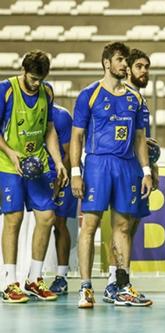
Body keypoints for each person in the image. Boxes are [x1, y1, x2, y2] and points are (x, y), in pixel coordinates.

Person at [70, 42, 153, 308]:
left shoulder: (135, 98)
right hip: (97, 164)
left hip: (127, 166)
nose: (124, 65)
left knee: (123, 227)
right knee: (90, 225)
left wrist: (146, 171)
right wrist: (75, 172)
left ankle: (121, 285)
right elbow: (77, 137)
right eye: (120, 60)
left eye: (125, 61)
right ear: (107, 63)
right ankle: (85, 288)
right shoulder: (89, 95)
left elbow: (140, 138)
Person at [0, 50, 68, 303]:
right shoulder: (5, 91)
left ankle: (34, 279)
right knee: (14, 219)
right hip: (9, 165)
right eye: (32, 78)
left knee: (47, 217)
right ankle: (9, 282)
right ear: (23, 70)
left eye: (40, 79)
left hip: (38, 164)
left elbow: (49, 129)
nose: (36, 83)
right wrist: (11, 153)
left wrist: (59, 161)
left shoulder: (47, 91)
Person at [103, 48, 158, 304]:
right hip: (124, 170)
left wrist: (150, 167)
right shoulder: (122, 97)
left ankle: (117, 280)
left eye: (147, 67)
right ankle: (115, 283)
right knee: (122, 227)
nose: (143, 71)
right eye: (139, 66)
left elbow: (141, 140)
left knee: (130, 228)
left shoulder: (139, 100)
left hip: (138, 171)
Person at [47, 104, 78, 295]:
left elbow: (69, 153)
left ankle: (61, 276)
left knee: (59, 223)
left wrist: (59, 180)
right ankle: (33, 276)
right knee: (41, 223)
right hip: (41, 174)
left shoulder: (61, 116)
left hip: (63, 173)